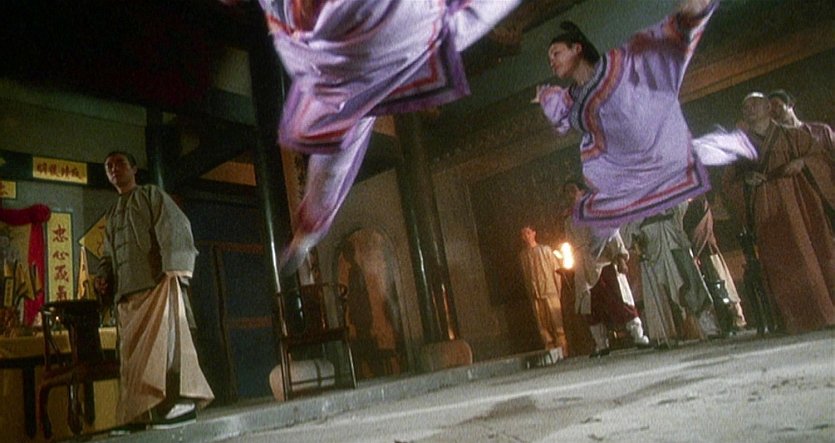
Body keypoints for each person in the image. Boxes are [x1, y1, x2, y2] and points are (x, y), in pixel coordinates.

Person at [239, 0, 521, 274]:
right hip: (359, 49)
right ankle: (311, 226)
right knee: (341, 135)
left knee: (341, 132)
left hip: (374, 44)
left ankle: (311, 226)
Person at [535, 0, 721, 249]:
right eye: (549, 57)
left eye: (556, 53)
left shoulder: (612, 67)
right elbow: (562, 117)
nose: (551, 60)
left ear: (577, 48)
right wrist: (546, 100)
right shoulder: (573, 101)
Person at [95, 151, 214, 428]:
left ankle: (180, 406)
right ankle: (139, 414)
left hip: (156, 288)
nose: (114, 169)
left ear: (134, 169)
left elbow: (175, 225)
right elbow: (108, 255)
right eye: (109, 166)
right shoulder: (111, 214)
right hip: (127, 297)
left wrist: (172, 269)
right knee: (132, 361)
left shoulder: (150, 195)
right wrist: (103, 277)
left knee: (168, 350)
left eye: (120, 163)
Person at [717, 93, 835, 334]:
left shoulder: (792, 135)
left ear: (768, 108)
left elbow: (821, 158)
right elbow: (728, 185)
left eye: (755, 104)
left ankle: (825, 312)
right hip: (766, 211)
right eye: (745, 107)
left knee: (812, 255)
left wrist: (802, 163)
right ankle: (795, 320)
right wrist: (746, 181)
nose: (750, 109)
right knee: (780, 263)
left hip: (800, 205)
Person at [563, 182, 650, 357]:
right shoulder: (568, 221)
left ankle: (638, 335)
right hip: (584, 267)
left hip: (603, 263)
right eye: (566, 192)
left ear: (582, 192)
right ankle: (601, 344)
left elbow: (611, 234)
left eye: (573, 190)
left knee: (619, 300)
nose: (570, 195)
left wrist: (620, 257)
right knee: (590, 307)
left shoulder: (596, 213)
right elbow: (572, 245)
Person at [623, 201, 722, 346]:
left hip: (672, 232)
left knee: (688, 279)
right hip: (649, 240)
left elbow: (681, 204)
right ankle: (662, 334)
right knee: (657, 290)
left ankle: (709, 326)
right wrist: (634, 235)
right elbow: (627, 221)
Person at [682, 195, 746, 332]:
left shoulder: (700, 202)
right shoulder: (685, 207)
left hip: (709, 251)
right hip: (699, 254)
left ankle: (735, 318)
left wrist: (695, 250)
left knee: (721, 283)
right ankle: (723, 322)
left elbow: (702, 229)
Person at [518, 225, 567, 360]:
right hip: (535, 294)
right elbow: (526, 276)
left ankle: (563, 351)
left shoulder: (545, 250)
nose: (526, 236)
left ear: (534, 233)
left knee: (557, 322)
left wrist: (558, 290)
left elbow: (556, 270)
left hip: (550, 291)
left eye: (528, 233)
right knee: (542, 325)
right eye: (524, 234)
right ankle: (550, 353)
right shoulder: (523, 256)